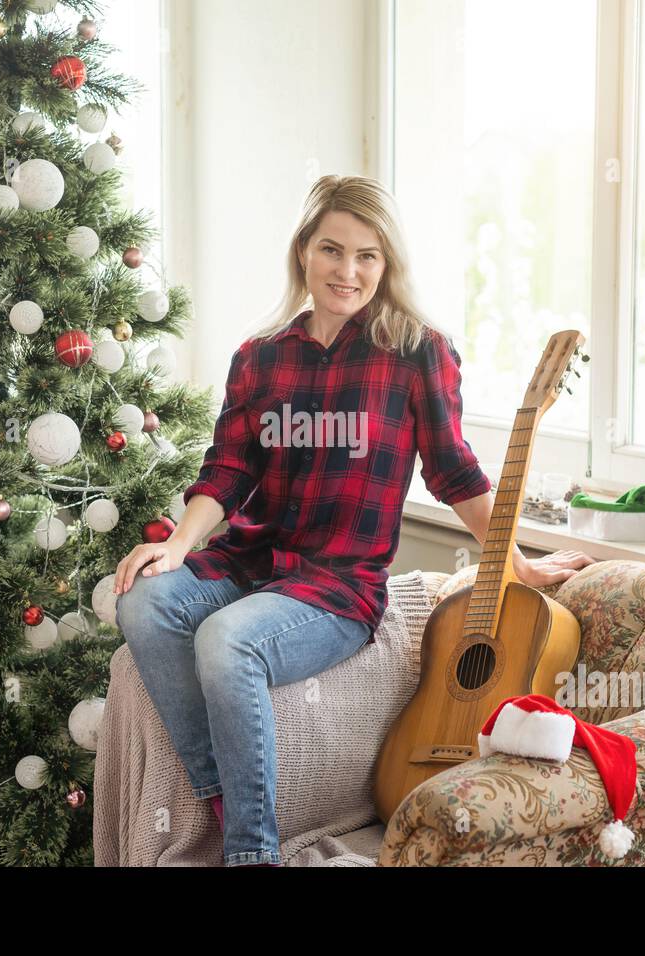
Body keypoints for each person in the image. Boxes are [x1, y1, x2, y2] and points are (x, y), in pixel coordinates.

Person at [113, 174, 594, 866]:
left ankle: (251, 853)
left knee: (226, 642)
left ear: (387, 263)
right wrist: (179, 546)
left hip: (337, 587)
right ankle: (223, 790)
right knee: (144, 599)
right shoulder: (262, 356)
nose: (349, 271)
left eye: (368, 255)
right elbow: (225, 469)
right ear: (303, 251)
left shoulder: (417, 351)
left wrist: (517, 563)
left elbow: (455, 473)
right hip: (251, 560)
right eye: (333, 250)